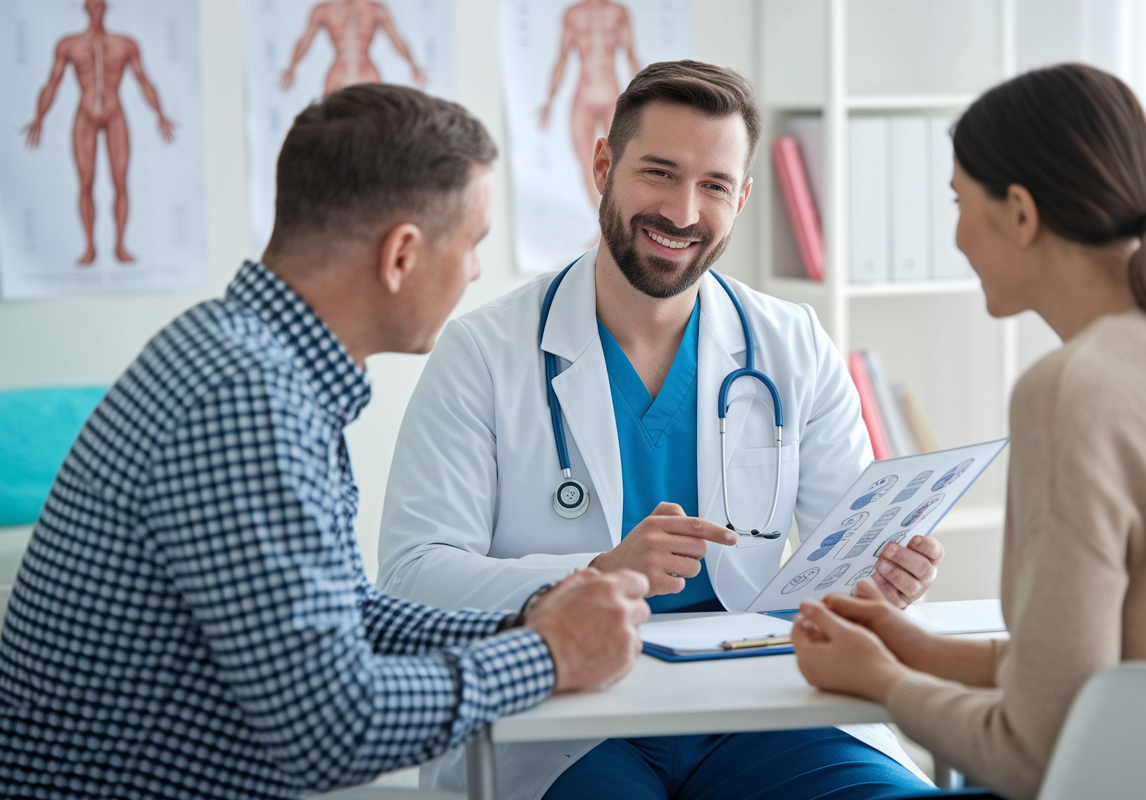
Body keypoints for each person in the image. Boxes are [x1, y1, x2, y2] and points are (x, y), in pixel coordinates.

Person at [0, 84, 650, 800]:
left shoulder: (247, 357)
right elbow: (330, 729)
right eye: (472, 245)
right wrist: (549, 654)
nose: (472, 272)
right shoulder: (246, 398)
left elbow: (343, 611)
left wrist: (522, 620)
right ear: (401, 255)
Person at [379, 60, 943, 800]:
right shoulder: (483, 353)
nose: (682, 212)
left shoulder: (791, 343)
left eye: (713, 186)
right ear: (604, 164)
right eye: (659, 173)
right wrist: (596, 573)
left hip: (763, 709)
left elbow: (846, 550)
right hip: (569, 719)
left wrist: (884, 579)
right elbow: (409, 580)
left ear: (740, 199)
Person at [791, 63, 1146, 800]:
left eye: (959, 202)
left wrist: (880, 680)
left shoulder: (1072, 390)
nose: (954, 235)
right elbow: (1137, 667)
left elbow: (1032, 753)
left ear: (1019, 213)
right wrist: (923, 650)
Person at [22, 0, 175, 265]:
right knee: (85, 182)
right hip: (85, 115)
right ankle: (90, 247)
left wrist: (159, 113)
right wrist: (39, 117)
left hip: (115, 114)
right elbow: (52, 83)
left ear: (106, 8)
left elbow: (144, 80)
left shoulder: (125, 44)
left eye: (100, 5)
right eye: (92, 5)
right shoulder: (69, 45)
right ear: (85, 8)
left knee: (120, 181)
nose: (96, 9)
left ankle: (119, 246)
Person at [536, 0, 641, 205]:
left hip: (611, 97)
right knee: (587, 162)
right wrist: (549, 101)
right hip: (584, 97)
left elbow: (631, 57)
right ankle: (601, 223)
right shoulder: (573, 14)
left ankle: (615, 218)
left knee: (617, 162)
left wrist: (647, 98)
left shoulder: (618, 12)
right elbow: (562, 58)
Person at [279, 0, 426, 96]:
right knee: (330, 123)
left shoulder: (375, 9)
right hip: (338, 73)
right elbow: (306, 39)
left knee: (376, 122)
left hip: (367, 72)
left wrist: (413, 64)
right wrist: (292, 66)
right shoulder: (324, 10)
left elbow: (396, 39)